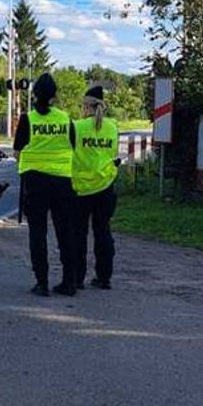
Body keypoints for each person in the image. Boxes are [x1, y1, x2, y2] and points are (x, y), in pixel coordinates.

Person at [14, 73, 78, 297]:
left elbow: (17, 151)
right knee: (65, 231)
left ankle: (41, 282)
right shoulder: (65, 118)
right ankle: (69, 282)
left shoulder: (27, 119)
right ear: (55, 96)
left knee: (37, 232)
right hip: (62, 180)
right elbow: (73, 146)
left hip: (34, 181)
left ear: (35, 95)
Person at [70, 86, 120, 290]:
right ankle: (104, 277)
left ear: (85, 106)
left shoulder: (77, 127)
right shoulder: (112, 127)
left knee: (78, 234)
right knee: (103, 232)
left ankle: (77, 277)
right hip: (106, 186)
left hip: (81, 188)